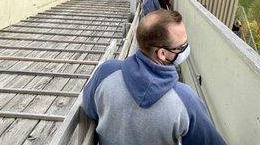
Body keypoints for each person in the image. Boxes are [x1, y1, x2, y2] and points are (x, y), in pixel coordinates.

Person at [82, 10, 227, 145]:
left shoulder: (105, 72)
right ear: (162, 54)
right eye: (182, 47)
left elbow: (89, 109)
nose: (186, 49)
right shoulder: (186, 99)